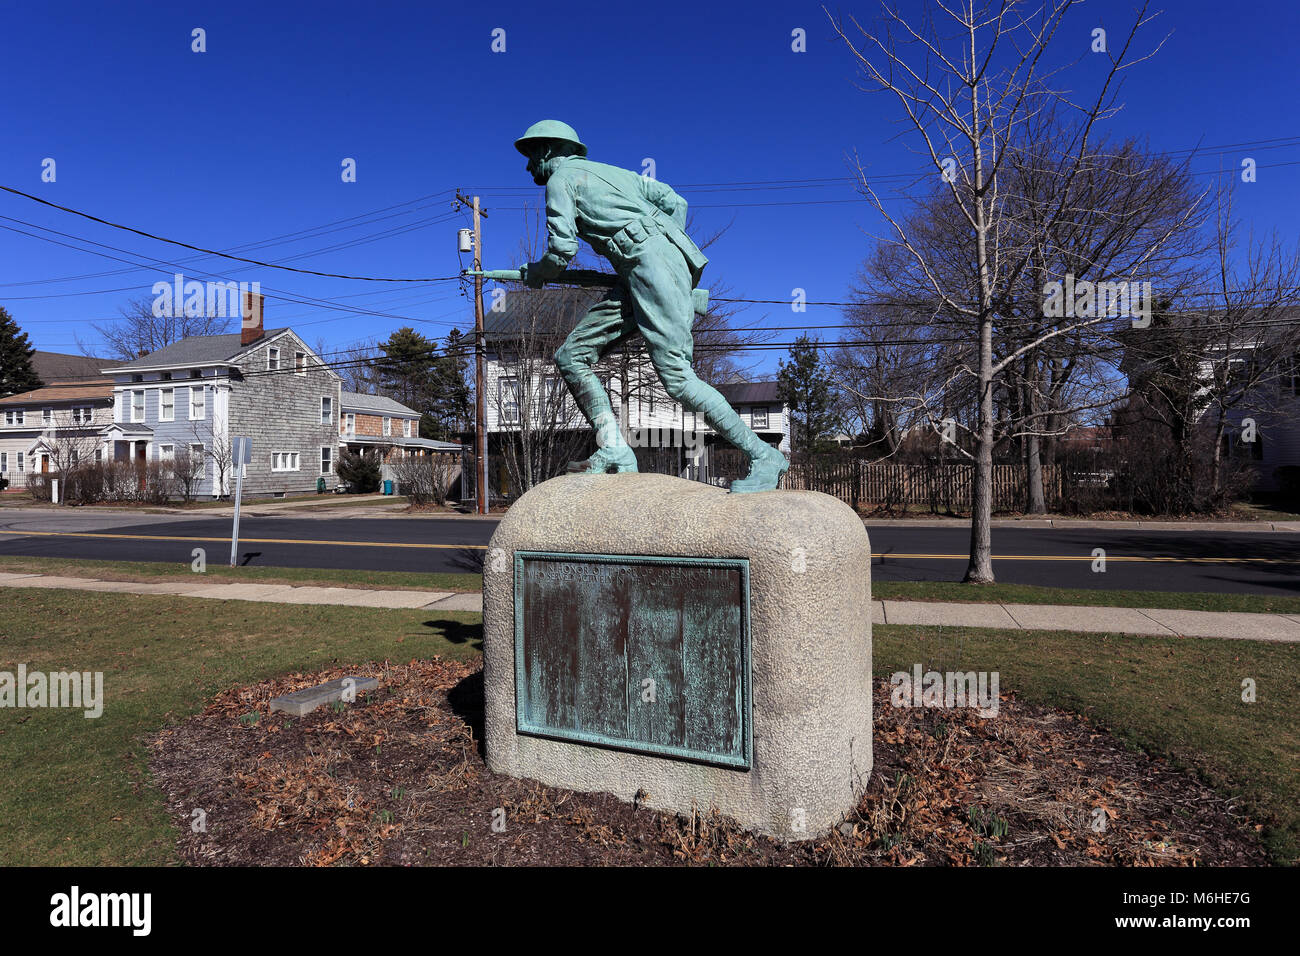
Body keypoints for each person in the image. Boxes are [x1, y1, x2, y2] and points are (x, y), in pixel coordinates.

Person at [514, 119, 789, 493]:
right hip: (645, 268)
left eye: (531, 157)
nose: (529, 167)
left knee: (676, 377)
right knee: (571, 356)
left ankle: (764, 456)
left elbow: (562, 250)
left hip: (647, 266)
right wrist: (666, 248)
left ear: (547, 151)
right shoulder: (615, 173)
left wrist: (539, 273)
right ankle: (614, 448)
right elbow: (676, 201)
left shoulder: (560, 180)